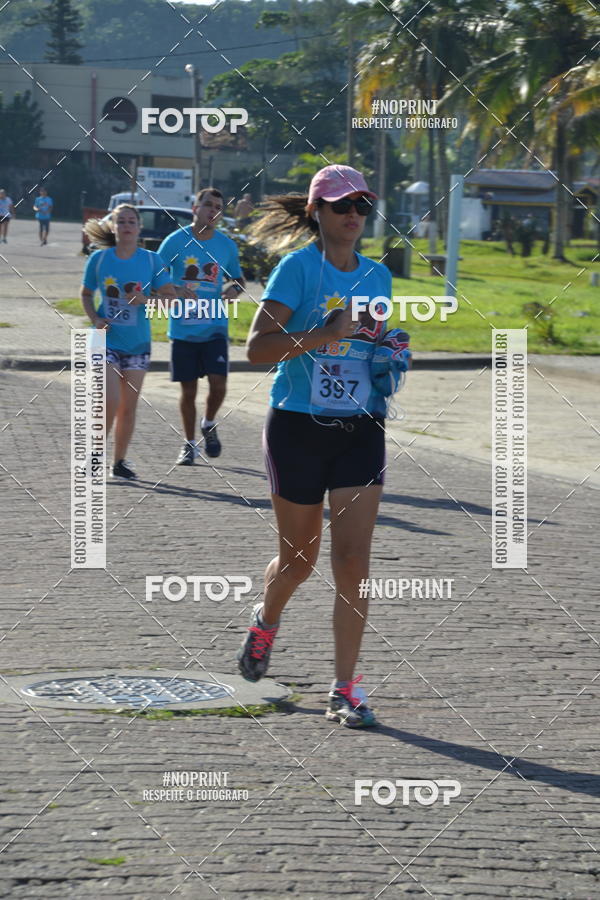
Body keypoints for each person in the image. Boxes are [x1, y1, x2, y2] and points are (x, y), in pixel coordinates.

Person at [237, 164, 410, 729]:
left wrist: (390, 355)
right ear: (316, 212)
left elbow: (372, 345)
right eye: (342, 205)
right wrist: (326, 334)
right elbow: (257, 349)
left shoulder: (378, 276)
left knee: (353, 561)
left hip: (361, 427)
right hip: (297, 427)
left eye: (363, 205)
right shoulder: (298, 268)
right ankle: (266, 619)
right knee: (299, 561)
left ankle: (345, 688)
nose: (354, 214)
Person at [80, 204, 176, 480]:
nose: (126, 226)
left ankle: (119, 462)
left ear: (139, 227)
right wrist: (95, 319)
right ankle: (94, 456)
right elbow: (86, 294)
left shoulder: (151, 261)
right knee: (109, 400)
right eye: (121, 221)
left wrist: (146, 299)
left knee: (127, 407)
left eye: (132, 221)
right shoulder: (99, 259)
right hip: (105, 340)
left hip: (138, 344)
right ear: (113, 227)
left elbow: (170, 299)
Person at [158, 188, 245, 465]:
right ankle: (189, 444)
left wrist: (234, 290)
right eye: (208, 205)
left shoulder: (226, 246)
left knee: (219, 385)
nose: (213, 211)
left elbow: (239, 279)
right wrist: (175, 289)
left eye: (218, 207)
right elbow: (155, 276)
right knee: (189, 391)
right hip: (183, 329)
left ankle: (208, 423)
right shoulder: (175, 242)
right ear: (195, 208)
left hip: (215, 326)